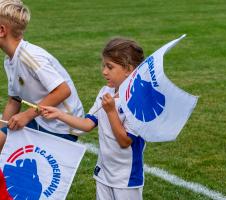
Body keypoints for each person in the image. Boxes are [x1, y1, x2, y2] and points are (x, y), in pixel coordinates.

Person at [41, 38, 146, 200]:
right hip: (104, 171)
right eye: (104, 65)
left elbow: (125, 141)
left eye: (110, 67)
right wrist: (59, 114)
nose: (104, 71)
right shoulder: (106, 92)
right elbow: (88, 124)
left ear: (128, 69)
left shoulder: (138, 100)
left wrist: (111, 111)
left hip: (126, 177)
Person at [0, 0, 84, 152]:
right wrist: (2, 129)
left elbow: (63, 90)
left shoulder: (31, 56)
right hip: (41, 119)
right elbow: (14, 100)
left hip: (62, 126)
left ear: (2, 30)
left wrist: (27, 115)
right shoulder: (9, 60)